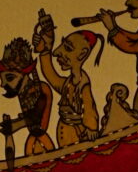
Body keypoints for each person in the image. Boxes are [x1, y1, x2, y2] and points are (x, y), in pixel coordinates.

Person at [39, 19, 105, 149]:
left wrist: (92, 128)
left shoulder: (82, 84)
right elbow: (50, 75)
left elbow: (89, 109)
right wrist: (46, 49)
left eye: (68, 48)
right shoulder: (68, 83)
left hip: (78, 137)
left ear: (82, 54)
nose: (57, 52)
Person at [0, 34, 54, 155]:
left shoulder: (40, 89)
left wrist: (17, 125)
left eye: (10, 78)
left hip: (42, 142)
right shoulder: (23, 91)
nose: (3, 84)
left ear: (24, 75)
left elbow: (37, 117)